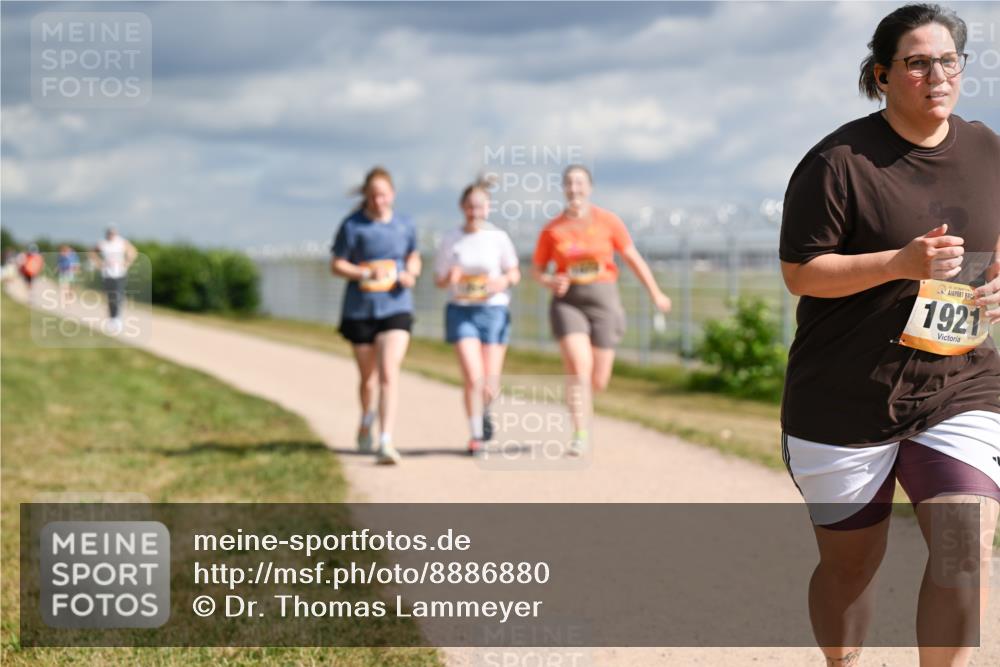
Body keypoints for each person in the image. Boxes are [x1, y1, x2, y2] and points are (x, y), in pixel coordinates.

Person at [779, 4, 1000, 665]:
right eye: (918, 62)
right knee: (850, 566)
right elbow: (801, 272)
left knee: (966, 547)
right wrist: (901, 263)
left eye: (949, 60)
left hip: (958, 381)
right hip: (845, 394)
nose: (937, 73)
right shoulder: (839, 162)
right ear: (882, 75)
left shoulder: (989, 149)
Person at [531, 165, 671, 456]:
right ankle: (580, 432)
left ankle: (580, 404)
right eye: (569, 183)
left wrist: (655, 292)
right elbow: (536, 270)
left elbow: (632, 258)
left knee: (598, 380)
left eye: (579, 183)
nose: (574, 188)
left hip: (604, 302)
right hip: (567, 303)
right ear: (563, 188)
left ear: (589, 188)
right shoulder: (552, 229)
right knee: (578, 369)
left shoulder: (608, 221)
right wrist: (549, 280)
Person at [331, 167, 420, 465]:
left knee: (388, 372)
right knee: (368, 379)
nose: (378, 200)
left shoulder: (405, 225)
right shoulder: (353, 226)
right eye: (373, 195)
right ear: (366, 196)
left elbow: (413, 255)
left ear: (391, 194)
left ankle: (386, 440)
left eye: (383, 195)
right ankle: (366, 416)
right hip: (361, 309)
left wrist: (411, 273)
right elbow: (337, 264)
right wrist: (365, 272)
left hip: (396, 306)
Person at [434, 178, 520, 455]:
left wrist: (502, 282)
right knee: (473, 376)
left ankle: (485, 412)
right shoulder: (451, 239)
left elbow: (514, 272)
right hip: (462, 310)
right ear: (462, 207)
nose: (474, 211)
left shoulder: (498, 237)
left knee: (489, 383)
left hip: (493, 310)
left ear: (488, 207)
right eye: (470, 206)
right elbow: (439, 279)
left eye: (480, 206)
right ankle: (474, 436)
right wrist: (451, 277)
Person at [91, 226, 137, 335]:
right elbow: (92, 252)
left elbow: (133, 252)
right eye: (110, 233)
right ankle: (112, 318)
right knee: (110, 296)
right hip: (107, 274)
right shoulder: (103, 243)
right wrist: (99, 263)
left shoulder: (121, 242)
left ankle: (117, 318)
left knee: (117, 295)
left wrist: (127, 263)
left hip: (120, 273)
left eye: (113, 233)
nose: (111, 235)